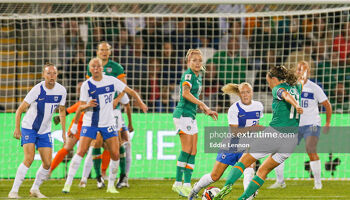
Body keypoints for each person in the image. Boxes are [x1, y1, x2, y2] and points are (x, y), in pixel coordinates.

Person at [214, 65, 303, 200]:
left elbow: (285, 95)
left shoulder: (278, 89)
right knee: (263, 171)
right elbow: (299, 82)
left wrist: (296, 104)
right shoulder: (297, 88)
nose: (269, 85)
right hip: (292, 140)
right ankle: (243, 198)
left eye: (269, 81)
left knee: (244, 160)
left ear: (274, 78)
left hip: (276, 134)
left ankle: (227, 185)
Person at [62, 58, 147, 194]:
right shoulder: (86, 85)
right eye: (93, 67)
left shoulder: (111, 80)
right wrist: (85, 108)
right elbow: (80, 107)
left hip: (108, 123)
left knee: (115, 153)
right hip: (91, 123)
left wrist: (141, 103)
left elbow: (130, 91)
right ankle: (68, 183)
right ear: (90, 69)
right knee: (81, 151)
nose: (96, 69)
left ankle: (111, 185)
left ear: (102, 68)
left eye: (98, 66)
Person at [188, 82, 264, 200]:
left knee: (249, 169)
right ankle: (195, 190)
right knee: (215, 176)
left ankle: (248, 196)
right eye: (243, 92)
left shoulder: (259, 106)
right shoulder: (234, 109)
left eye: (248, 92)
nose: (246, 95)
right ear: (239, 94)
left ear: (252, 92)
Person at [268, 61, 332, 190]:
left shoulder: (314, 87)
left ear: (308, 71)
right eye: (299, 69)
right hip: (294, 125)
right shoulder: (290, 87)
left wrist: (327, 123)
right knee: (277, 151)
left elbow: (327, 105)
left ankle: (318, 183)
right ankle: (280, 182)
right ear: (294, 71)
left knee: (310, 149)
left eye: (304, 69)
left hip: (311, 124)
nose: (301, 72)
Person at [8, 63, 67, 198]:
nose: (51, 76)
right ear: (43, 75)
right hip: (29, 128)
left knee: (47, 163)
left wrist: (63, 132)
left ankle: (35, 189)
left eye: (54, 73)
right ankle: (14, 191)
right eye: (48, 73)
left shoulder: (62, 90)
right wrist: (17, 128)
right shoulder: (37, 89)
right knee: (28, 159)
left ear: (57, 74)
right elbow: (19, 110)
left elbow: (62, 110)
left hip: (45, 130)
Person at [82, 41, 134, 189]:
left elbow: (124, 88)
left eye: (106, 50)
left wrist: (117, 99)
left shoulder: (116, 68)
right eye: (101, 50)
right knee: (96, 142)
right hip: (97, 112)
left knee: (119, 143)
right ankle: (97, 177)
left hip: (114, 111)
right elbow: (89, 87)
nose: (104, 52)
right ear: (97, 51)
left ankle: (123, 177)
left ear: (110, 52)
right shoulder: (91, 66)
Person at [172, 49, 218, 197]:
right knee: (186, 150)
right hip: (182, 114)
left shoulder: (199, 76)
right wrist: (203, 105)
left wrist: (203, 109)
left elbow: (192, 96)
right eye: (194, 60)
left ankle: (186, 184)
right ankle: (178, 184)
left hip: (191, 115)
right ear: (188, 62)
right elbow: (185, 93)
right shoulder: (188, 75)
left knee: (193, 151)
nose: (197, 63)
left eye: (199, 60)